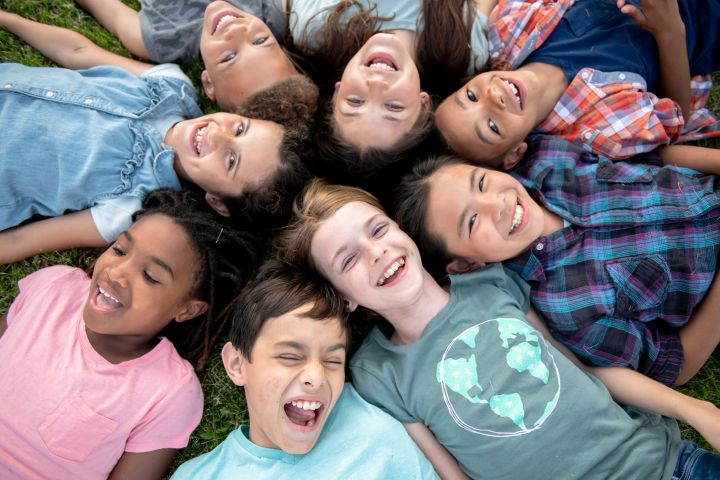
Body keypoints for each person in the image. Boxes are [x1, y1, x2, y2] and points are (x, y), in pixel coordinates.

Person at [275, 179, 720, 479]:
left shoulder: (491, 283)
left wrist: (695, 410)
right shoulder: (376, 371)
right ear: (345, 299)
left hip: (661, 467)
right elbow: (452, 473)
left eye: (378, 229)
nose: (376, 252)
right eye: (348, 260)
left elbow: (583, 372)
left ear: (401, 230)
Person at [393, 137, 720, 387]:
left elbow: (651, 155)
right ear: (466, 265)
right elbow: (677, 364)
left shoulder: (548, 156)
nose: (498, 204)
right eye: (473, 221)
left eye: (481, 182)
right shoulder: (567, 310)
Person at [0, 11, 315, 263]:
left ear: (217, 202)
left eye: (231, 160)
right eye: (239, 128)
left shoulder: (129, 207)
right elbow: (79, 52)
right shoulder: (169, 87)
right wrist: (8, 19)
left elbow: (24, 240)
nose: (218, 136)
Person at [0, 189, 260, 479]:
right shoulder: (53, 288)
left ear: (188, 309)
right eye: (120, 250)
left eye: (150, 276)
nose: (117, 273)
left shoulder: (169, 393)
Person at [171, 260, 439, 479]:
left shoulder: (378, 435)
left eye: (333, 361)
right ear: (237, 364)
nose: (316, 376)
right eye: (290, 356)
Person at [435, 0, 720, 168]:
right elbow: (675, 117)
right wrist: (670, 29)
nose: (493, 98)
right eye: (492, 127)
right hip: (705, 23)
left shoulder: (507, 35)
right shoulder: (598, 129)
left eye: (471, 96)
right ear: (514, 153)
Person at [287, 0, 494, 193]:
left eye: (354, 101)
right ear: (423, 104)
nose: (376, 84)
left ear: (337, 92)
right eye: (394, 107)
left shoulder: (317, 28)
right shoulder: (464, 52)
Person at [66, 0, 300, 111]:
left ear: (208, 83)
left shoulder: (161, 39)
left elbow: (107, 10)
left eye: (229, 57)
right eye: (260, 42)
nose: (237, 32)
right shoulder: (276, 11)